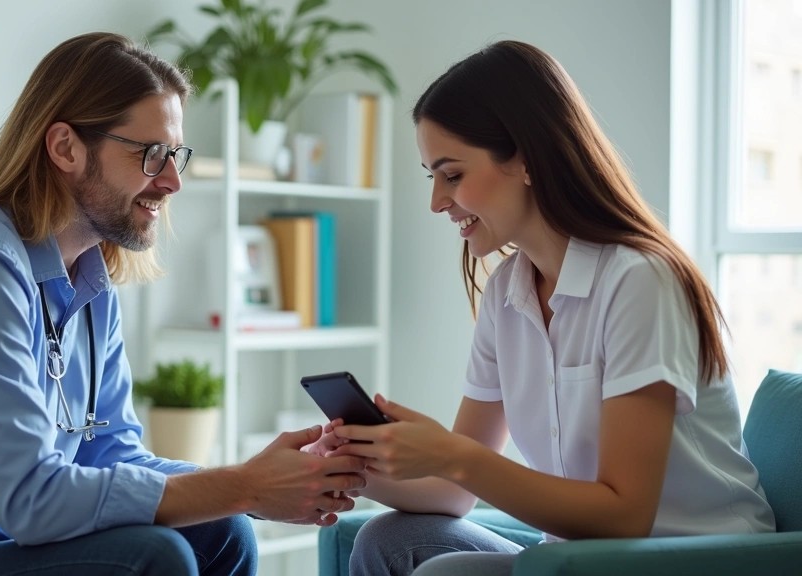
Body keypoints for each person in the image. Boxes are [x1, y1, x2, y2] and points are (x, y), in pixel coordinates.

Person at [0, 32, 367, 576]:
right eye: (151, 154)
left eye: (176, 156)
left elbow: (111, 452)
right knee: (150, 555)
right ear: (65, 147)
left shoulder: (87, 278)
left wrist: (256, 484)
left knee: (223, 531)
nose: (172, 182)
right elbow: (32, 500)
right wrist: (246, 485)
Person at [306, 40, 776, 576]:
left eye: (452, 174)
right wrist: (356, 469)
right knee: (389, 540)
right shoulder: (508, 295)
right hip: (578, 559)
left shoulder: (640, 281)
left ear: (526, 160)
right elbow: (454, 493)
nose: (436, 201)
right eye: (431, 176)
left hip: (691, 560)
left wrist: (450, 454)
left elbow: (624, 517)